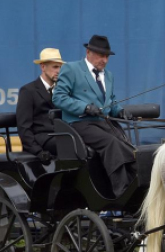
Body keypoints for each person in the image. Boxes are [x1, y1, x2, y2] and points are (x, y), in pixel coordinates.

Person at [53, 35, 136, 197]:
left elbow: (110, 101)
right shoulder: (72, 69)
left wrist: (119, 111)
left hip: (103, 123)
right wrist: (85, 107)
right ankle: (122, 190)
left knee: (127, 146)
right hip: (80, 123)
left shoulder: (108, 76)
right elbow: (58, 97)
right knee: (111, 143)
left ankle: (136, 182)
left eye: (106, 56)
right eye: (100, 55)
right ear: (88, 52)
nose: (104, 60)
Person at [16, 48, 66, 162]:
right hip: (42, 140)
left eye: (60, 67)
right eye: (55, 67)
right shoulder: (28, 91)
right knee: (70, 145)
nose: (58, 71)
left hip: (61, 135)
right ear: (43, 67)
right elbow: (24, 128)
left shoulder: (61, 90)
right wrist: (38, 151)